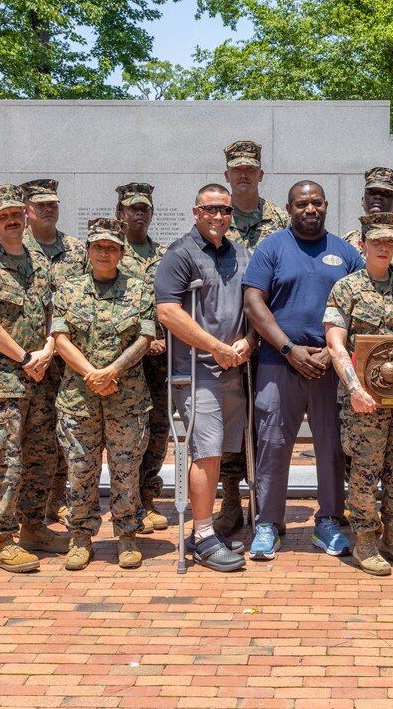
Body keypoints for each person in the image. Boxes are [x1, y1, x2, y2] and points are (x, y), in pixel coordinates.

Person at [243, 180, 364, 560]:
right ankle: (268, 524)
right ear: (289, 207)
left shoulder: (346, 253)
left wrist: (333, 350)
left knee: (331, 448)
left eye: (315, 203)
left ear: (326, 205)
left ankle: (328, 521)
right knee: (274, 446)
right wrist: (290, 349)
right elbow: (253, 304)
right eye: (301, 204)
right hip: (279, 364)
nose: (309, 209)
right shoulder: (272, 248)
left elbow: (364, 303)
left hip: (331, 369)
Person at [0, 184, 69, 573]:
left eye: (15, 213)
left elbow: (56, 315)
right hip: (2, 384)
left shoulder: (40, 264)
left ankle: (33, 527)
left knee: (41, 458)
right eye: (2, 215)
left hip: (42, 378)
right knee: (2, 463)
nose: (11, 220)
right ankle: (1, 541)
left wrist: (47, 350)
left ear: (25, 216)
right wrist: (25, 357)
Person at [325, 213, 393, 575]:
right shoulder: (347, 288)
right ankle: (366, 541)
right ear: (364, 245)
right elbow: (335, 344)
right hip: (364, 403)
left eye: (390, 242)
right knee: (364, 472)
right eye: (377, 242)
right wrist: (354, 388)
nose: (384, 248)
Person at [155, 183, 255, 572]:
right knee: (207, 453)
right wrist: (215, 346)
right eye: (211, 210)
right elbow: (168, 312)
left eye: (225, 211)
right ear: (196, 212)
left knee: (223, 453)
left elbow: (254, 305)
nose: (219, 217)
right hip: (197, 373)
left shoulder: (240, 254)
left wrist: (248, 340)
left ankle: (207, 529)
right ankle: (202, 535)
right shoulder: (181, 254)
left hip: (234, 368)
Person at [51, 218, 153, 571]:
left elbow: (145, 338)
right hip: (79, 400)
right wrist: (91, 374)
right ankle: (80, 536)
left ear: (122, 252)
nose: (104, 253)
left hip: (127, 399)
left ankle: (127, 535)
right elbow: (60, 338)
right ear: (88, 251)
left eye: (111, 247)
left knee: (126, 470)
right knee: (80, 470)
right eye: (98, 247)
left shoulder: (139, 289)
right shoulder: (68, 290)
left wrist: (113, 371)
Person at [215, 140, 289, 536]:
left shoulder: (280, 218)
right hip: (227, 340)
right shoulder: (217, 217)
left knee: (265, 425)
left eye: (251, 169)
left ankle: (261, 500)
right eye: (236, 169)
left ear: (261, 174)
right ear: (227, 175)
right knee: (230, 421)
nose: (244, 175)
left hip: (270, 340)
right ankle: (229, 499)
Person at [19, 178, 87, 526]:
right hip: (25, 363)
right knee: (30, 438)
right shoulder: (14, 249)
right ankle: (28, 507)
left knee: (63, 435)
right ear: (26, 210)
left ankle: (57, 500)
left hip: (65, 360)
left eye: (53, 203)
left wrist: (54, 347)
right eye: (41, 204)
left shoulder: (76, 250)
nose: (49, 209)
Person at [114, 182, 170, 535]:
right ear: (120, 214)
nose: (139, 214)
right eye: (133, 208)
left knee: (158, 428)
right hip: (122, 360)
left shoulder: (164, 255)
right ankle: (128, 500)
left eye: (145, 208)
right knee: (127, 433)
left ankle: (147, 497)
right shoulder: (109, 251)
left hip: (160, 362)